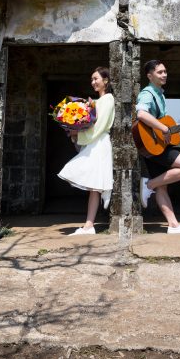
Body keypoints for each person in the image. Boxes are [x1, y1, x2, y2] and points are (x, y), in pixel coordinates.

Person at [137, 59, 180, 234]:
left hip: (156, 146)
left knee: (163, 186)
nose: (164, 74)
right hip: (152, 144)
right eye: (160, 72)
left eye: (165, 71)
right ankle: (148, 184)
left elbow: (169, 129)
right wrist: (164, 128)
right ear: (149, 75)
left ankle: (173, 225)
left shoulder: (160, 94)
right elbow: (141, 114)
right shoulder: (147, 94)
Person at [57, 67, 115, 235]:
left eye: (95, 78)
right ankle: (89, 226)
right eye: (91, 79)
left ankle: (89, 226)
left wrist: (77, 133)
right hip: (94, 143)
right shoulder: (98, 101)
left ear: (106, 80)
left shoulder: (108, 99)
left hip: (99, 143)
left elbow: (100, 126)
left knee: (91, 182)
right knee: (93, 185)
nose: (93, 82)